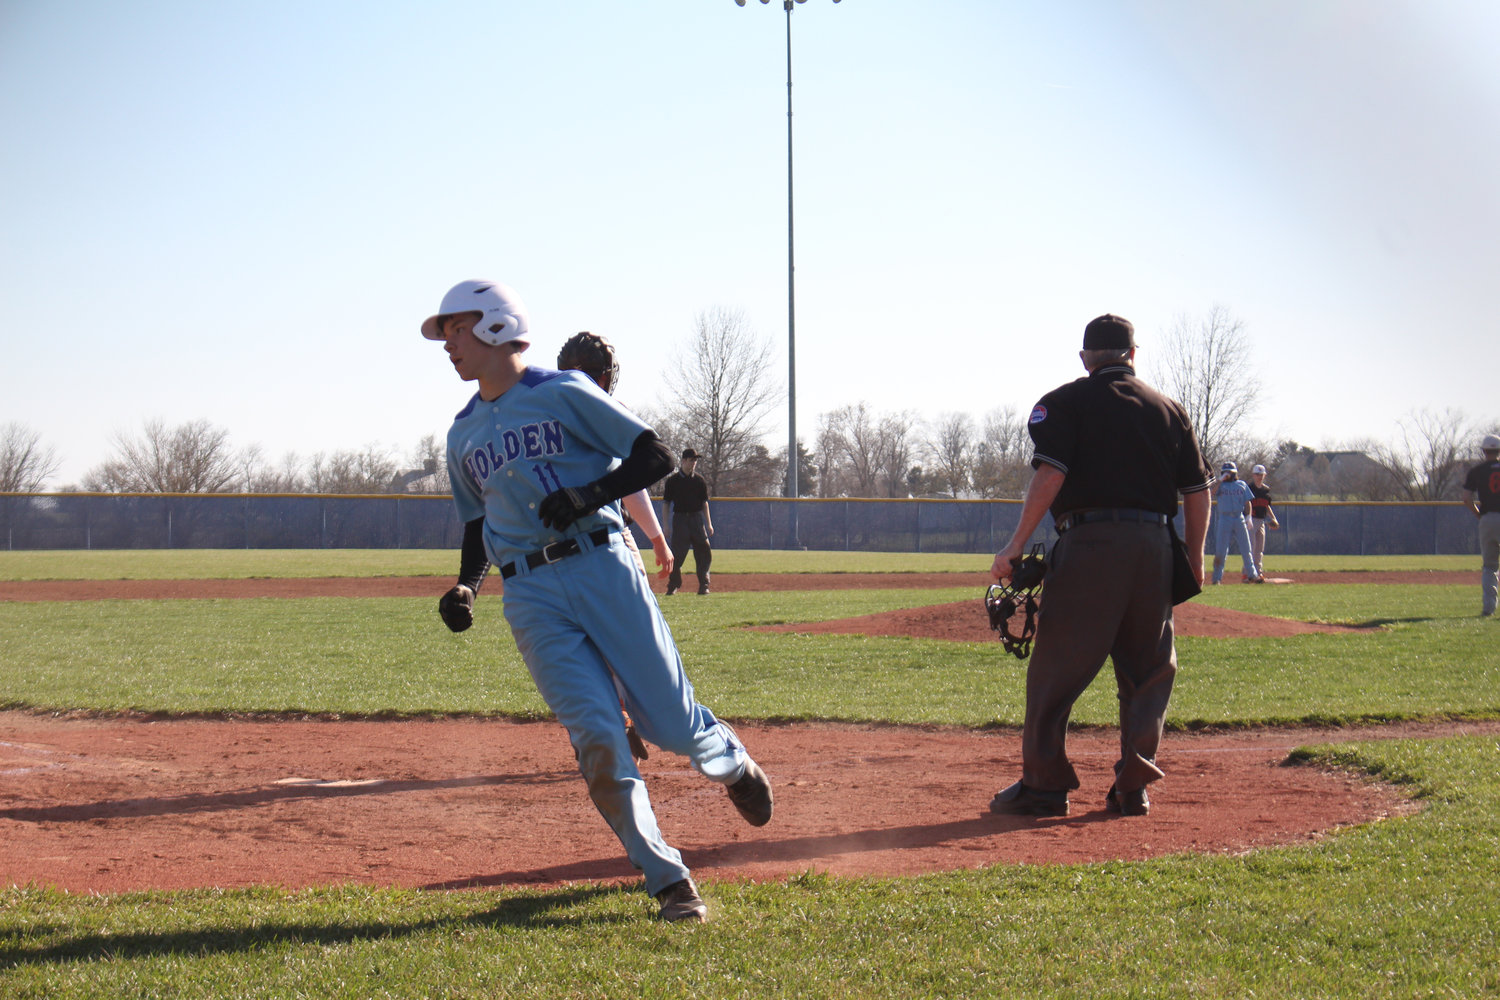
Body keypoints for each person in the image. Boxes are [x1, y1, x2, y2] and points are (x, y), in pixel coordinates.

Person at [422, 279, 772, 923]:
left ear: (497, 325)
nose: (448, 344)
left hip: (602, 567)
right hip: (530, 594)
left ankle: (729, 762)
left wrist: (589, 495)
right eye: (444, 335)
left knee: (669, 724)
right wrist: (468, 583)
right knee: (599, 738)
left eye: (457, 329)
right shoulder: (461, 434)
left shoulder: (563, 391)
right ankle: (668, 879)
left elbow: (654, 455)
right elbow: (477, 525)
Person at [987, 313, 1212, 819]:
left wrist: (1014, 546)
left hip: (1090, 544)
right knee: (1149, 671)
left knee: (1056, 670)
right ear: (1132, 355)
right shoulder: (1169, 409)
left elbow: (1051, 475)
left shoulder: (1066, 401)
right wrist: (1194, 558)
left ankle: (1045, 787)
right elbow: (1198, 493)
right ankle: (1134, 787)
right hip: (1155, 547)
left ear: (1085, 358)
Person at [661, 449, 713, 595]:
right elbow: (666, 504)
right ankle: (673, 585)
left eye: (695, 460)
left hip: (696, 519)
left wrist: (709, 523)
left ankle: (704, 585)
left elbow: (704, 503)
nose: (693, 463)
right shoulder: (672, 481)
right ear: (683, 461)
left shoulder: (699, 480)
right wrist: (666, 525)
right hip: (680, 519)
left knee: (704, 551)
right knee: (677, 554)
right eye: (691, 460)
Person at [1459, 433, 1500, 617]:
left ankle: (1489, 609)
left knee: (1490, 566)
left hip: (1488, 519)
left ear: (1484, 451)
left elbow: (1466, 498)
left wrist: (1478, 515)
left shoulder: (1476, 471)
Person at [1211, 461, 1264, 584]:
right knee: (1221, 550)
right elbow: (1212, 493)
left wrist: (1248, 516)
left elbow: (1247, 502)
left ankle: (1252, 575)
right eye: (1225, 472)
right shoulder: (1220, 485)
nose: (1228, 475)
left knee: (1246, 548)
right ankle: (1217, 578)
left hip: (1239, 518)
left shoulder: (1241, 484)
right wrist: (1220, 480)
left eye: (1230, 473)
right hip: (1224, 518)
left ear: (1235, 473)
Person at [1247, 463, 1279, 581]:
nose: (1259, 476)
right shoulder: (1249, 489)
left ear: (1264, 475)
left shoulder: (1266, 491)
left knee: (1259, 548)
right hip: (1250, 520)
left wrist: (1273, 518)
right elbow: (1244, 504)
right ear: (1253, 475)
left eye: (1261, 474)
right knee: (1250, 547)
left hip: (1261, 521)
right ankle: (1247, 573)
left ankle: (1258, 572)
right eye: (1257, 474)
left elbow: (1267, 506)